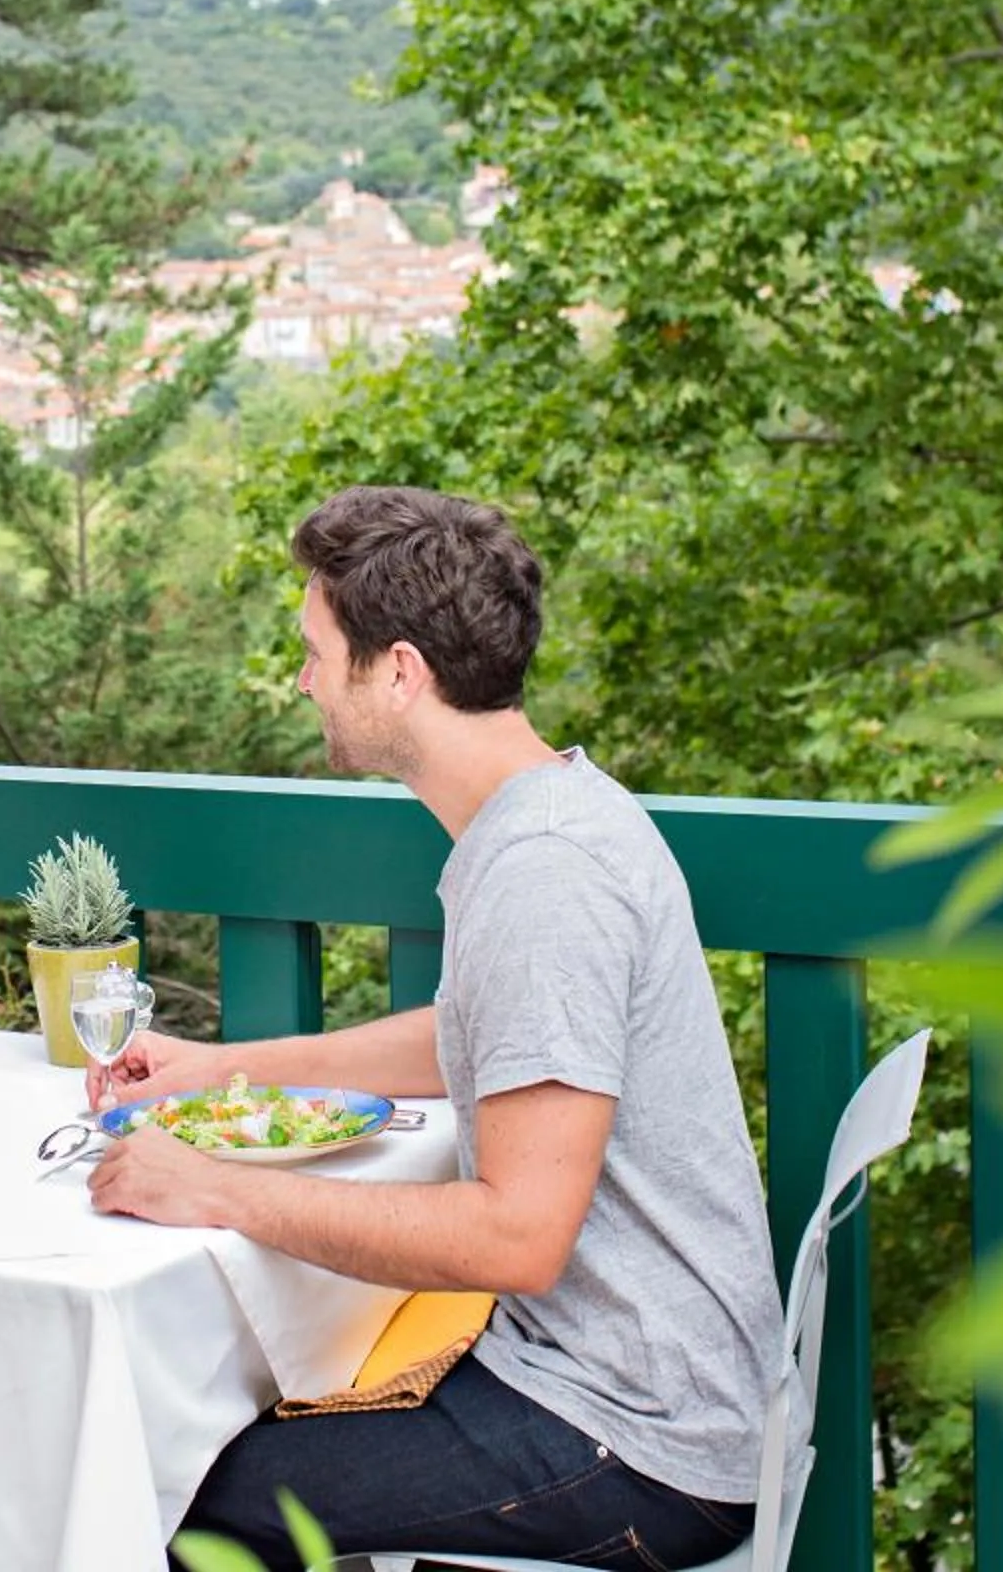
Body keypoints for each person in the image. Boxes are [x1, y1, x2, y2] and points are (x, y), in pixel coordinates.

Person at [88, 487, 778, 1571]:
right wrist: (219, 1069)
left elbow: (518, 1237)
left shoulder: (546, 872)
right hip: (625, 1380)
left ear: (400, 672)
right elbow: (476, 1031)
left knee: (165, 1493)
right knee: (201, 1439)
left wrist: (213, 1185)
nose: (305, 679)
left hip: (637, 1436)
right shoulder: (549, 810)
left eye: (317, 653)